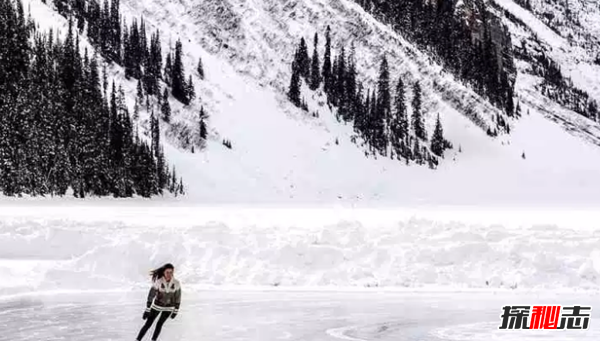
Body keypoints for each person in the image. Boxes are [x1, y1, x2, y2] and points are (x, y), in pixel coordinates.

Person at [136, 263, 181, 341]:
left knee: (159, 324)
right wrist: (147, 309)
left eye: (171, 272)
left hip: (169, 308)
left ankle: (154, 340)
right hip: (157, 306)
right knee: (148, 324)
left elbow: (178, 297)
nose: (169, 274)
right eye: (167, 272)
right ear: (163, 272)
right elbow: (151, 295)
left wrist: (176, 310)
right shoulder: (158, 282)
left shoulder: (176, 283)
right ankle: (138, 339)